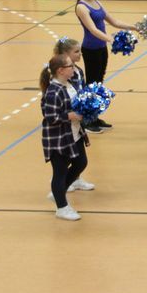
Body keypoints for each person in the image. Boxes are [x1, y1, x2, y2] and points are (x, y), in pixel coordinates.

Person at [74, 0, 138, 131]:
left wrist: (134, 27)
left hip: (101, 48)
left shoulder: (97, 3)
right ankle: (86, 121)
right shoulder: (81, 7)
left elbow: (114, 22)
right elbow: (93, 29)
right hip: (90, 49)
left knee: (99, 84)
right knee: (91, 85)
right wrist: (111, 39)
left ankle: (94, 117)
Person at [39, 54, 87, 221]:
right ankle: (62, 207)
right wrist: (70, 116)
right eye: (70, 66)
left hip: (74, 133)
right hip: (59, 137)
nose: (73, 68)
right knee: (59, 172)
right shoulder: (53, 92)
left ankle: (58, 193)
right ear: (60, 70)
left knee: (81, 162)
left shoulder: (70, 83)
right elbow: (50, 117)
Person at [53, 37, 94, 192]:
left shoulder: (78, 71)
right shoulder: (58, 73)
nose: (80, 54)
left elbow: (82, 92)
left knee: (78, 157)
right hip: (64, 122)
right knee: (65, 159)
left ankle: (74, 179)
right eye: (76, 52)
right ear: (65, 54)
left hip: (76, 120)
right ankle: (60, 186)